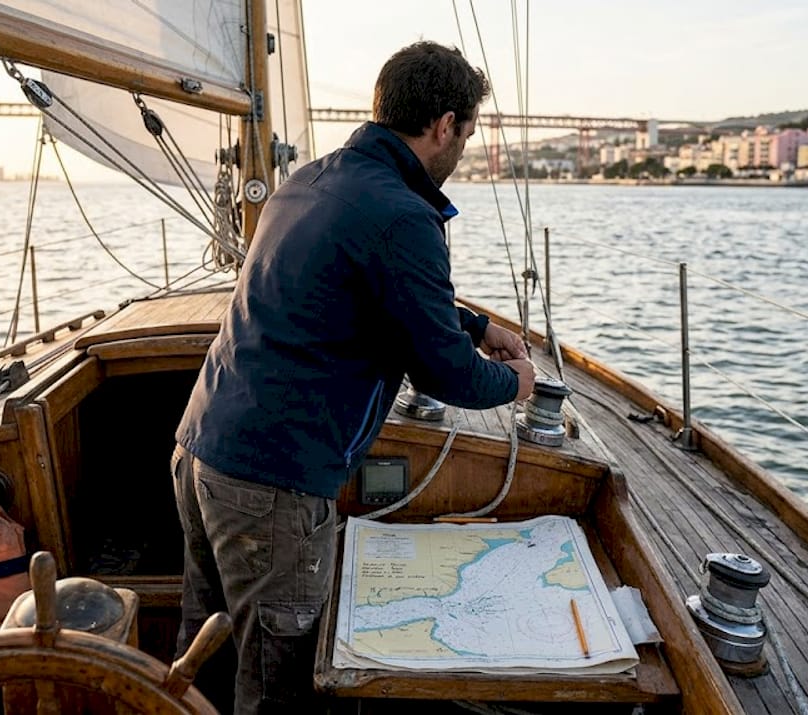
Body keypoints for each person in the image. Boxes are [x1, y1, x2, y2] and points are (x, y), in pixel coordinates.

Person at [171, 40, 536, 714]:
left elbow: (366, 285)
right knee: (279, 683)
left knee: (205, 652)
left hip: (200, 449)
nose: (463, 150)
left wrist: (477, 326)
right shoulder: (405, 214)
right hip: (272, 487)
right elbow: (443, 374)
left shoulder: (312, 179)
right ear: (445, 126)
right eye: (468, 133)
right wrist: (516, 381)